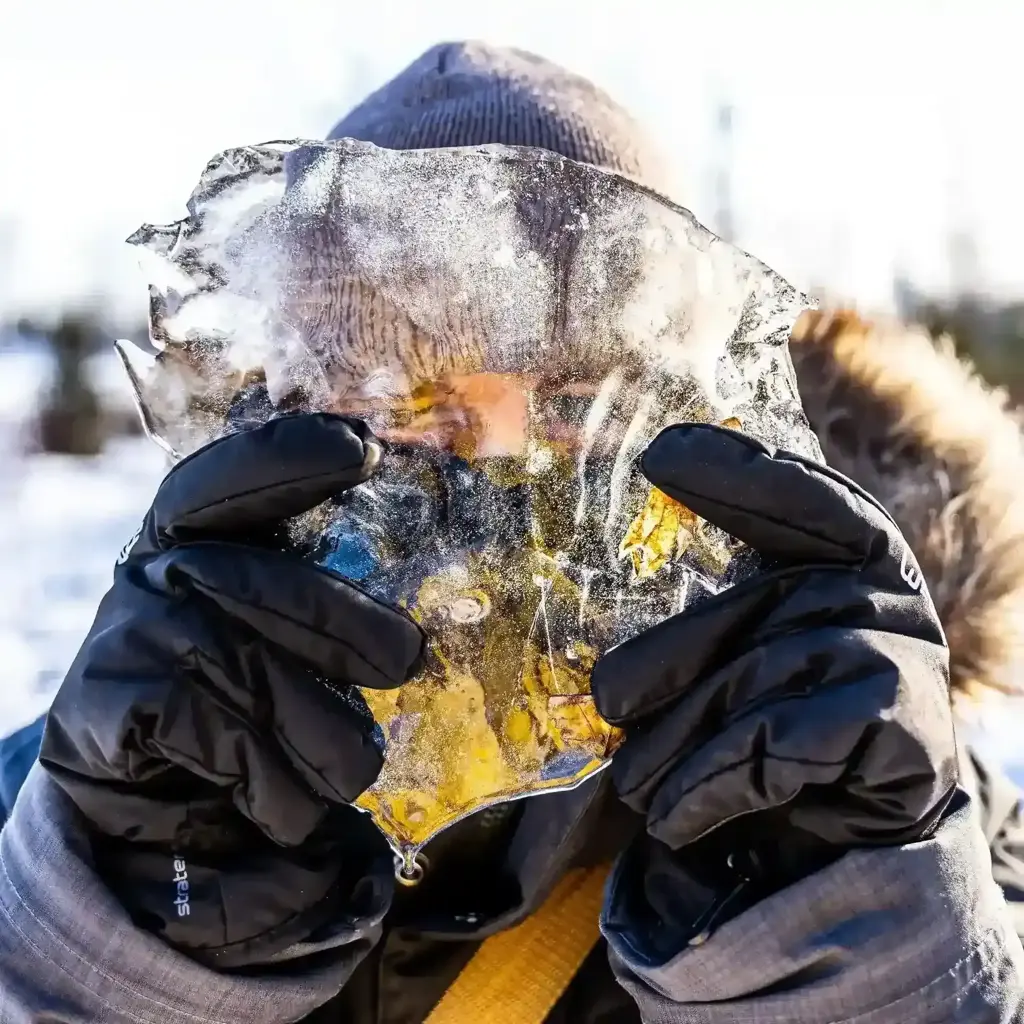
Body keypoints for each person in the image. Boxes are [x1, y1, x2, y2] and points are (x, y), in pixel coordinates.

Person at [1, 41, 1023, 1024]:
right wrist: (113, 935)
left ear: (699, 431)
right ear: (272, 423)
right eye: (393, 398)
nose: (483, 479)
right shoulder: (90, 790)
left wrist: (844, 935)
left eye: (574, 399)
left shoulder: (893, 799)